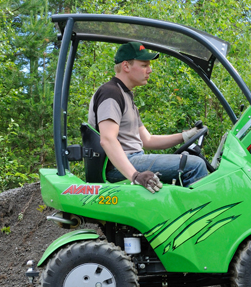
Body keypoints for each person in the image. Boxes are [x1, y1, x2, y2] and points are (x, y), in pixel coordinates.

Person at [88, 41, 208, 193]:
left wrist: (186, 136)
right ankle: (198, 215)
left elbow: (147, 140)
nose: (150, 70)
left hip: (134, 158)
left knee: (188, 157)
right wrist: (135, 176)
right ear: (126, 66)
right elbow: (107, 139)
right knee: (195, 165)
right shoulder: (111, 93)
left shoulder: (126, 97)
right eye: (144, 65)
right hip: (121, 165)